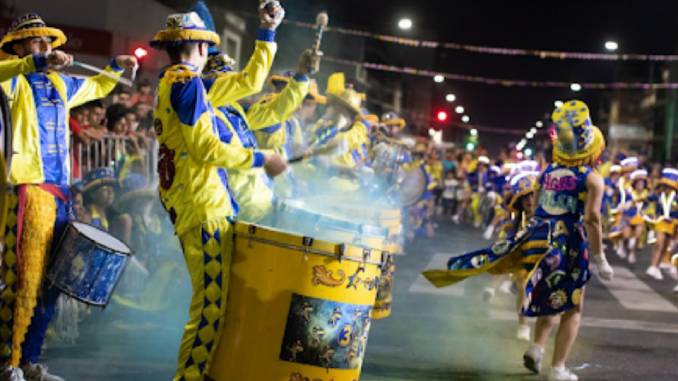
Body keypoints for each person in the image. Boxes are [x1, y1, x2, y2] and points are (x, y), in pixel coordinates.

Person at [424, 100, 613, 381]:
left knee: (552, 298)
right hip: (570, 244)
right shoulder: (592, 179)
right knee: (572, 307)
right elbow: (593, 218)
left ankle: (536, 348)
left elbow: (537, 208)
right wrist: (599, 257)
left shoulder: (547, 173)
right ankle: (558, 368)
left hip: (539, 240)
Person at [149, 4, 287, 380]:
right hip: (201, 206)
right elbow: (205, 149)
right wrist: (261, 159)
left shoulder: (188, 84)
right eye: (208, 46)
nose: (211, 53)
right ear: (197, 46)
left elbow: (250, 83)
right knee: (209, 307)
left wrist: (267, 31)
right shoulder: (185, 85)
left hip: (204, 203)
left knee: (214, 303)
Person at [0, 12, 136, 381]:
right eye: (37, 42)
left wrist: (113, 68)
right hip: (29, 190)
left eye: (49, 43)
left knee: (52, 282)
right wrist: (35, 62)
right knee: (22, 281)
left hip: (60, 194)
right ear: (17, 47)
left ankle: (29, 362)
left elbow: (96, 88)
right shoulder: (11, 81)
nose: (46, 48)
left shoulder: (60, 84)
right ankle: (7, 363)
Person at [646, 168, 678, 280]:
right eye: (666, 185)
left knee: (665, 246)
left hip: (673, 224)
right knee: (658, 243)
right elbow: (647, 199)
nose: (668, 188)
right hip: (660, 222)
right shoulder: (659, 195)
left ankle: (658, 266)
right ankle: (652, 265)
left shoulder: (676, 197)